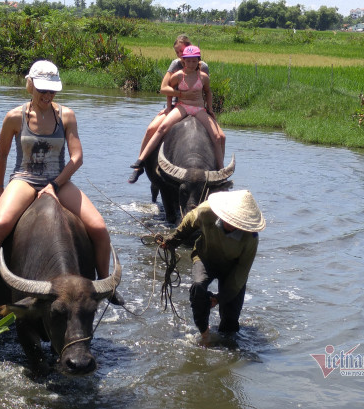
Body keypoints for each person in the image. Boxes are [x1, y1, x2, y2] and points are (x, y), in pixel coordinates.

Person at [0, 60, 123, 318]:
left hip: (58, 181)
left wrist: (55, 185)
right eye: (42, 91)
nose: (47, 96)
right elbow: (2, 154)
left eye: (52, 92)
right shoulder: (15, 117)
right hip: (24, 179)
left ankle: (104, 284)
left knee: (99, 227)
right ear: (30, 86)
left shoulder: (66, 115)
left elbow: (77, 157)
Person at [159, 190, 265, 343]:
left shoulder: (251, 238)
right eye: (230, 218)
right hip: (205, 257)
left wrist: (219, 298)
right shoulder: (207, 211)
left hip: (232, 268)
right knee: (198, 287)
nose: (231, 223)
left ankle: (228, 345)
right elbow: (189, 221)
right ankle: (204, 333)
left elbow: (241, 273)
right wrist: (172, 240)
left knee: (230, 320)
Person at [128, 45, 226, 184]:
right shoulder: (178, 74)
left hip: (198, 108)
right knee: (161, 128)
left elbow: (208, 92)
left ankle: (221, 171)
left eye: (194, 61)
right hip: (182, 106)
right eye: (188, 60)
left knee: (217, 136)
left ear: (198, 61)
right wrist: (169, 107)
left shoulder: (203, 76)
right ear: (183, 60)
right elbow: (167, 89)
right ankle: (141, 161)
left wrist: (209, 109)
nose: (191, 63)